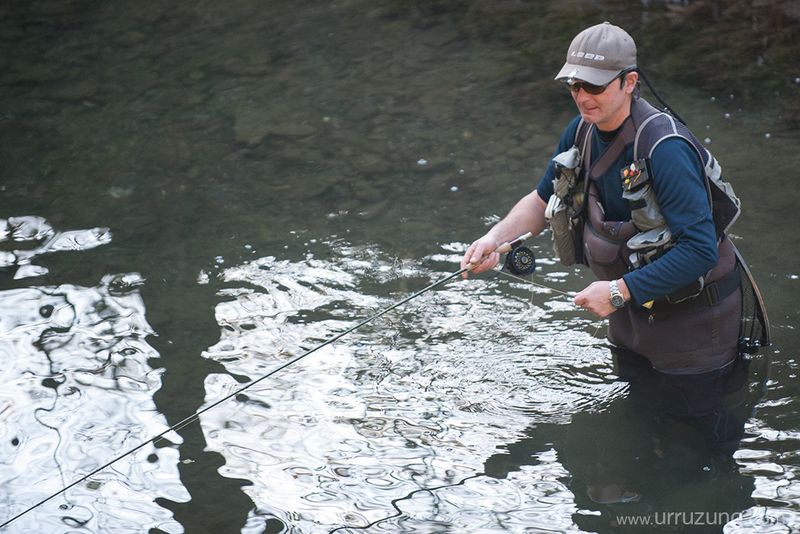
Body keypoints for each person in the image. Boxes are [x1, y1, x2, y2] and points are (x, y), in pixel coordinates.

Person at [460, 21, 752, 375]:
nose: (582, 96)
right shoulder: (580, 130)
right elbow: (542, 200)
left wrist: (617, 292)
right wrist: (494, 239)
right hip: (629, 318)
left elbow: (699, 250)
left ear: (629, 82)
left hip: (694, 326)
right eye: (574, 84)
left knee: (690, 425)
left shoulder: (666, 148)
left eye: (594, 85)